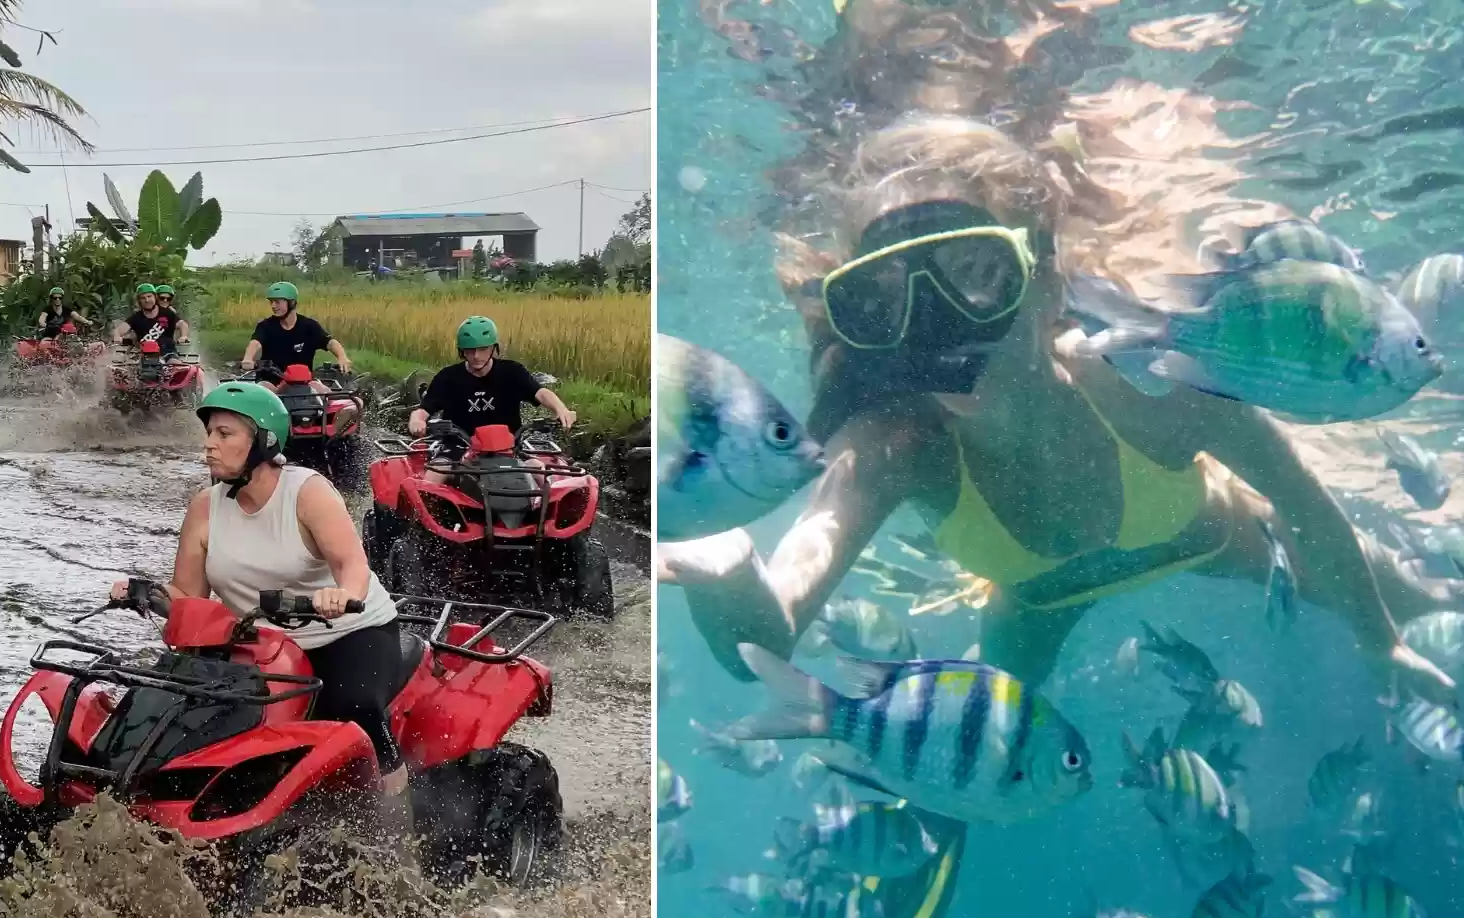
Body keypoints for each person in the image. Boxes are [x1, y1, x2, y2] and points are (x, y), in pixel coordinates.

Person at [663, 113, 1459, 705]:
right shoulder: (896, 446)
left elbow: (1303, 504)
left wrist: (1382, 640)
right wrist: (727, 577)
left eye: (974, 272)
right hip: (1032, 607)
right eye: (886, 298)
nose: (937, 325)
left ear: (1045, 279)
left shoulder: (1149, 383)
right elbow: (766, 637)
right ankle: (940, 823)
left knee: (1424, 597)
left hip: (1222, 541)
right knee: (986, 742)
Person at [108, 382, 408, 796]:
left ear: (264, 442)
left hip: (346, 631)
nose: (209, 444)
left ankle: (396, 811)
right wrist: (142, 592)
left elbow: (351, 565)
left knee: (354, 708)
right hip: (261, 645)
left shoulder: (308, 492)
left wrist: (343, 595)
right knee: (192, 712)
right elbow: (188, 597)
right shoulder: (204, 506)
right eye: (209, 433)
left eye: (224, 434)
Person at [408, 315, 578, 485]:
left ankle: (545, 502)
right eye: (470, 350)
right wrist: (417, 421)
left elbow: (540, 393)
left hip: (509, 447)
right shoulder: (448, 377)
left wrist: (561, 409)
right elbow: (423, 410)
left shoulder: (512, 372)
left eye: (483, 349)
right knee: (432, 478)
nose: (476, 356)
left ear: (493, 348)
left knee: (542, 475)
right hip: (457, 446)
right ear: (462, 351)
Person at [239, 281, 353, 381]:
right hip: (271, 381)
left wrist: (342, 357)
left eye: (277, 302)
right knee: (266, 387)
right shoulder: (265, 326)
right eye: (271, 302)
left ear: (291, 303)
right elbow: (255, 343)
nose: (273, 306)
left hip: (303, 382)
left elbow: (330, 342)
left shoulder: (309, 326)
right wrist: (248, 358)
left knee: (321, 389)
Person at [112, 282, 190, 356]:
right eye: (143, 298)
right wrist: (117, 336)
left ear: (155, 297)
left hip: (168, 354)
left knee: (174, 362)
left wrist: (183, 336)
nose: (147, 300)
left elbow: (182, 324)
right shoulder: (135, 318)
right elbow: (118, 331)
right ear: (139, 301)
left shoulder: (168, 313)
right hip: (145, 356)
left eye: (149, 296)